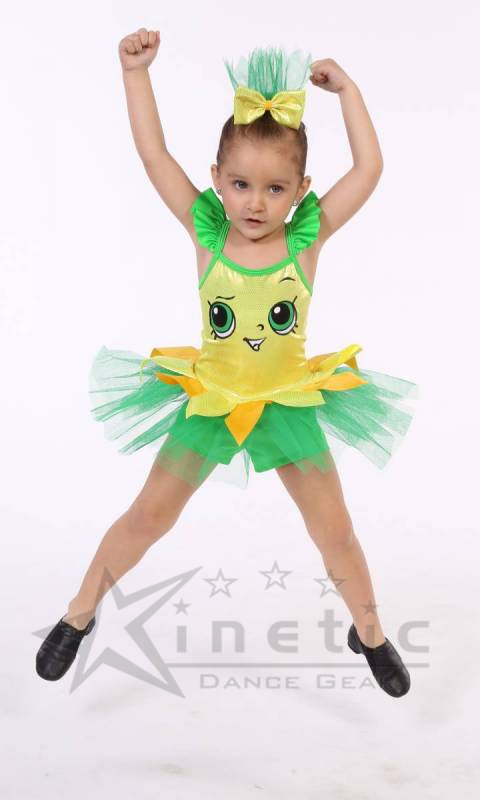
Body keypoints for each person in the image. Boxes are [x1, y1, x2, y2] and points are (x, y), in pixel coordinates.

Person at [36, 32, 418, 698]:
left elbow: (369, 170)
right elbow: (154, 155)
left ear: (300, 190)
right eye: (240, 184)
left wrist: (350, 94)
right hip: (212, 401)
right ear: (216, 179)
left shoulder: (306, 238)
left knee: (335, 533)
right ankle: (78, 613)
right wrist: (136, 73)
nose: (254, 203)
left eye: (274, 188)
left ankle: (371, 631)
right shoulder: (206, 232)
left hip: (286, 404)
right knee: (148, 518)